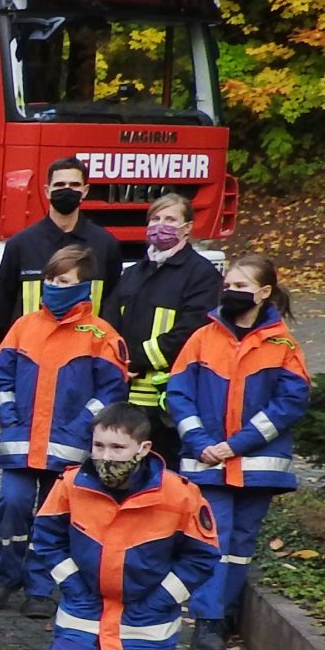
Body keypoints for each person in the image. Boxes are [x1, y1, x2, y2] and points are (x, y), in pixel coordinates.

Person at [165, 254, 309, 650]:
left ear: (264, 293)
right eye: (229, 285)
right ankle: (208, 620)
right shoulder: (202, 337)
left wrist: (236, 445)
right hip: (207, 462)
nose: (233, 293)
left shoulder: (282, 344)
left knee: (240, 545)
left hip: (255, 467)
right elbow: (178, 393)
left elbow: (290, 403)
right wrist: (199, 441)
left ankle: (223, 613)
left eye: (242, 287)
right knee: (216, 538)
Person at [32, 404, 220, 650]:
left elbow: (202, 556)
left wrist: (160, 600)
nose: (106, 456)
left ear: (144, 448)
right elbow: (46, 540)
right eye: (99, 446)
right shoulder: (70, 484)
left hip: (146, 618)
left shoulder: (180, 493)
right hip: (86, 612)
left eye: (118, 448)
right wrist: (74, 589)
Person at [0, 245, 130, 616]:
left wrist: (80, 428)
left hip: (68, 446)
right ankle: (4, 577)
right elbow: (0, 377)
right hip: (20, 440)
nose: (53, 286)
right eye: (49, 278)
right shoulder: (24, 326)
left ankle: (40, 587)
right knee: (11, 507)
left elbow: (110, 391)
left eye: (63, 280)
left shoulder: (101, 335)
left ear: (83, 287)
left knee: (54, 517)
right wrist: (10, 414)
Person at [105, 191, 222, 458]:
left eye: (170, 219)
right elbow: (109, 322)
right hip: (124, 395)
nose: (160, 225)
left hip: (167, 401)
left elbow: (190, 331)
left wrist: (134, 361)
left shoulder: (201, 275)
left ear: (188, 228)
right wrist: (115, 361)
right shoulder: (133, 273)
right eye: (155, 218)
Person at [0, 157, 120, 334]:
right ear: (47, 191)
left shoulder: (105, 245)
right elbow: (4, 305)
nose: (67, 190)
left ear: (85, 190)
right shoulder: (21, 244)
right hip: (32, 351)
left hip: (85, 351)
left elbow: (111, 304)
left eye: (74, 185)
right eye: (59, 185)